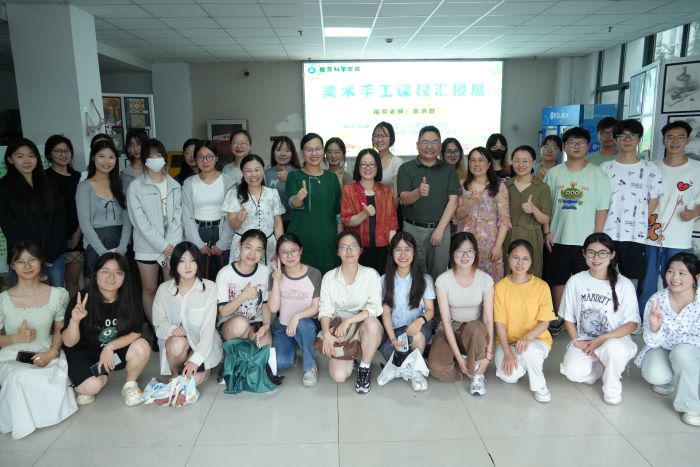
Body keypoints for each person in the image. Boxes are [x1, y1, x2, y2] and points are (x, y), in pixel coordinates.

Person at [0, 241, 77, 439]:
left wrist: (52, 353)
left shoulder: (57, 295)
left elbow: (59, 329)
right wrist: (15, 337)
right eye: (20, 261)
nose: (27, 266)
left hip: (45, 354)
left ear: (41, 261)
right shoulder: (3, 300)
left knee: (35, 376)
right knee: (19, 376)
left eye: (32, 259)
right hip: (11, 357)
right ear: (12, 265)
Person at [559, 233, 639, 405]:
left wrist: (602, 339)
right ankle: (601, 368)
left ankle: (612, 387)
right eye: (591, 252)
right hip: (586, 341)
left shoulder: (624, 284)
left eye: (602, 253)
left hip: (615, 340)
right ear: (584, 254)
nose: (596, 258)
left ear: (612, 255)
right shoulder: (575, 281)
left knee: (612, 349)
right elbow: (568, 318)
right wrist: (577, 341)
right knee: (573, 371)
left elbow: (632, 324)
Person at [62, 252, 151, 406]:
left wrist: (110, 347)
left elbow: (136, 332)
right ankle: (90, 378)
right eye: (105, 271)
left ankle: (129, 385)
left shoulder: (130, 298)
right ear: (95, 274)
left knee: (142, 347)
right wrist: (75, 321)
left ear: (124, 276)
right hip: (85, 353)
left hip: (113, 354)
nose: (111, 277)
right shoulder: (81, 299)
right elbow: (69, 343)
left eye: (118, 272)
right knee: (91, 387)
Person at [544, 127, 610, 334]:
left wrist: (596, 239)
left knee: (586, 280)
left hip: (586, 240)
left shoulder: (598, 174)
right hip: (558, 237)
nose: (576, 146)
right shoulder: (554, 174)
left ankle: (583, 318)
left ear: (588, 146)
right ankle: (560, 318)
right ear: (564, 146)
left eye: (581, 142)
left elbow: (602, 208)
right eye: (572, 142)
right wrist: (547, 232)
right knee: (558, 279)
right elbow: (546, 208)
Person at [638, 120, 700, 314]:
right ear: (663, 141)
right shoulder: (651, 168)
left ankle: (676, 319)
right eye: (670, 137)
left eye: (680, 137)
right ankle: (645, 319)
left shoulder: (697, 169)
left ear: (687, 140)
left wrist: (694, 213)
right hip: (649, 235)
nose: (675, 141)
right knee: (646, 281)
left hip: (679, 237)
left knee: (676, 281)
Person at [635, 252, 700, 426]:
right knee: (656, 374)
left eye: (682, 273)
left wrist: (682, 348)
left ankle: (691, 407)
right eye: (670, 271)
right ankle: (672, 379)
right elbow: (652, 342)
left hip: (694, 352)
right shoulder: (657, 300)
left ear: (696, 277)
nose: (674, 278)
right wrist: (655, 327)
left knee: (682, 353)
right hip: (664, 348)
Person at [428, 232, 494, 396]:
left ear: (475, 253)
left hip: (474, 330)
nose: (465, 256)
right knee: (436, 367)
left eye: (470, 251)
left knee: (476, 328)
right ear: (452, 253)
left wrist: (488, 355)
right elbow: (446, 321)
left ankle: (477, 374)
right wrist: (458, 358)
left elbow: (488, 319)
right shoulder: (443, 280)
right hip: (449, 328)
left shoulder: (485, 280)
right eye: (460, 251)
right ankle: (466, 365)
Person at [127, 138, 183, 326]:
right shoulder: (135, 187)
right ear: (144, 159)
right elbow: (139, 221)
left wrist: (170, 245)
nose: (155, 159)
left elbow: (178, 217)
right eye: (150, 156)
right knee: (149, 289)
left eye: (159, 155)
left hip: (172, 247)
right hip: (146, 247)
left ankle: (171, 327)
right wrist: (162, 245)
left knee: (171, 288)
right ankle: (156, 329)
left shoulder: (174, 185)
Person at [318, 231, 383, 394]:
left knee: (373, 324)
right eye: (344, 247)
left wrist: (350, 320)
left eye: (353, 246)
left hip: (362, 323)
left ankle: (364, 367)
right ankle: (352, 358)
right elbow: (325, 309)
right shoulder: (329, 277)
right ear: (337, 252)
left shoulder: (370, 274)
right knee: (339, 376)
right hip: (339, 327)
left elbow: (375, 307)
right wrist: (326, 333)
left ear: (360, 250)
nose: (349, 251)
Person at [601, 119, 662, 289]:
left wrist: (640, 220)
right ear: (616, 139)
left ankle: (628, 307)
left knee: (631, 279)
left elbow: (654, 199)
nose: (627, 140)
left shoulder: (651, 169)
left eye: (632, 136)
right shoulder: (605, 168)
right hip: (607, 232)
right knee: (603, 275)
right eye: (622, 136)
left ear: (639, 139)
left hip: (636, 234)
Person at [152, 242, 222, 386]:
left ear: (198, 263)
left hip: (202, 345)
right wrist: (172, 329)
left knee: (191, 382)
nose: (188, 266)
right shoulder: (163, 290)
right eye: (182, 261)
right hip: (177, 345)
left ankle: (195, 373)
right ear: (174, 264)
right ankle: (175, 375)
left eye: (192, 260)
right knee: (176, 343)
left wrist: (195, 360)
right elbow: (159, 325)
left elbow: (208, 330)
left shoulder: (210, 288)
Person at [494, 240, 555, 403]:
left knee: (528, 351)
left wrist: (527, 337)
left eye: (525, 259)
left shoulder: (542, 286)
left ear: (531, 260)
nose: (520, 263)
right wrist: (508, 353)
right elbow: (500, 324)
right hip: (509, 343)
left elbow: (545, 322)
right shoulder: (500, 287)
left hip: (536, 340)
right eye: (515, 258)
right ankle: (524, 363)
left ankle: (539, 385)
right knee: (509, 377)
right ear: (508, 257)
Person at [0, 138, 66, 286]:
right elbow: (10, 227)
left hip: (53, 257)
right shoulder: (4, 188)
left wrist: (50, 255)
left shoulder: (49, 184)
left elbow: (60, 220)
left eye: (31, 155)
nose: (27, 161)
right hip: (23, 259)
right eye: (20, 156)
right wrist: (32, 257)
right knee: (25, 299)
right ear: (10, 159)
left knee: (57, 297)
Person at [397, 126, 461, 278]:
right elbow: (404, 199)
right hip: (412, 229)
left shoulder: (448, 170)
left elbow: (453, 201)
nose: (429, 146)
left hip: (440, 229)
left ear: (440, 146)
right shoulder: (406, 168)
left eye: (434, 142)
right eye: (425, 142)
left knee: (439, 275)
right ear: (417, 145)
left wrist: (440, 229)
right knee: (414, 274)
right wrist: (418, 192)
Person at [379, 232, 435, 391]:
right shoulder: (384, 280)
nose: (403, 255)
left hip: (417, 326)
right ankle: (411, 365)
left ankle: (415, 371)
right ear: (392, 253)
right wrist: (392, 339)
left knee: (417, 336)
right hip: (394, 330)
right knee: (392, 353)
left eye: (407, 249)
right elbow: (385, 313)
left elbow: (430, 310)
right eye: (398, 250)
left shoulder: (425, 279)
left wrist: (420, 321)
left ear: (414, 252)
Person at [267, 233, 323, 387]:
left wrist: (297, 317)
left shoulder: (314, 273)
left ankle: (310, 366)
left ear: (301, 250)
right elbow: (273, 308)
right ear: (278, 256)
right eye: (284, 252)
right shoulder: (274, 276)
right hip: (283, 326)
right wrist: (276, 281)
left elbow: (316, 307)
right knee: (282, 362)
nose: (290, 255)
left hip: (307, 323)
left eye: (293, 250)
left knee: (304, 325)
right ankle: (299, 349)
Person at [287, 132, 342, 274]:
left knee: (328, 279)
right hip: (302, 240)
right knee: (302, 279)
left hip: (328, 241)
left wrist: (339, 239)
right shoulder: (294, 176)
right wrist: (298, 198)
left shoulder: (332, 178)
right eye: (309, 149)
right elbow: (292, 203)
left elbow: (337, 213)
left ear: (323, 150)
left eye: (318, 149)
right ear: (302, 152)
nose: (314, 153)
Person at [455, 147, 511, 282]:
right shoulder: (462, 185)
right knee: (465, 281)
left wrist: (498, 246)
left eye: (481, 160)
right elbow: (457, 215)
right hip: (465, 245)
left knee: (491, 284)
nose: (476, 164)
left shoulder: (499, 186)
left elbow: (504, 220)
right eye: (472, 160)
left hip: (490, 245)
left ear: (489, 164)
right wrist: (471, 202)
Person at [76, 140, 131, 278]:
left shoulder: (120, 184)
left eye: (111, 157)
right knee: (98, 284)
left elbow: (127, 219)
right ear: (93, 157)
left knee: (121, 283)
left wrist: (122, 248)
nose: (106, 161)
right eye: (101, 156)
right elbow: (85, 223)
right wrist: (102, 252)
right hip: (96, 244)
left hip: (120, 242)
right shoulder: (84, 187)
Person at [181, 140, 235, 280]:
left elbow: (232, 215)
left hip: (222, 231)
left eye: (209, 156)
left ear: (216, 158)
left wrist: (222, 244)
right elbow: (186, 216)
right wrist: (198, 244)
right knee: (199, 278)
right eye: (200, 157)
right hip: (198, 232)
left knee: (224, 278)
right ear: (196, 159)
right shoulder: (189, 183)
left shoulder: (228, 181)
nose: (205, 161)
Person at [341, 148, 398, 274]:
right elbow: (347, 220)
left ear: (378, 167)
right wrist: (365, 214)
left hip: (382, 249)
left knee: (381, 281)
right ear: (358, 167)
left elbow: (392, 223)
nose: (368, 168)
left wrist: (392, 250)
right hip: (357, 248)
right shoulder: (349, 190)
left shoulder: (385, 191)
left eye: (372, 164)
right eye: (364, 164)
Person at [224, 154, 285, 264]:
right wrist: (238, 219)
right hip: (244, 247)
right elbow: (232, 225)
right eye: (248, 171)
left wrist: (280, 247)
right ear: (242, 172)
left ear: (263, 170)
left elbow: (277, 223)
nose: (253, 174)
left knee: (269, 274)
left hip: (269, 247)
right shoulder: (234, 194)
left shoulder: (272, 193)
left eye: (257, 170)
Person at [215, 229, 271, 346]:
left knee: (265, 346)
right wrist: (244, 296)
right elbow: (223, 311)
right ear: (239, 245)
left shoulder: (265, 271)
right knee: (240, 325)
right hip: (231, 323)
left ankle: (248, 344)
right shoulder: (225, 273)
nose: (252, 254)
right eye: (248, 247)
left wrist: (266, 326)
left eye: (258, 250)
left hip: (256, 322)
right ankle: (238, 348)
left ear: (263, 253)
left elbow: (265, 304)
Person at [504, 145, 552, 278]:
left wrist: (534, 210)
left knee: (531, 274)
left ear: (534, 162)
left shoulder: (542, 188)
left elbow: (545, 219)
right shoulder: (505, 186)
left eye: (525, 161)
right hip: (508, 236)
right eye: (516, 160)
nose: (521, 165)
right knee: (508, 273)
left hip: (532, 237)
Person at [45, 135, 83, 296]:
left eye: (67, 151)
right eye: (58, 151)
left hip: (76, 236)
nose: (63, 154)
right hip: (52, 239)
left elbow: (84, 208)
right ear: (49, 153)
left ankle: (73, 310)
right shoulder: (43, 178)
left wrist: (77, 233)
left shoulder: (79, 178)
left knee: (73, 280)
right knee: (54, 285)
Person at [265, 136, 301, 231]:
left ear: (292, 153)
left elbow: (303, 198)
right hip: (271, 222)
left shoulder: (299, 173)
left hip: (294, 222)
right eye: (279, 150)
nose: (283, 154)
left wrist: (290, 179)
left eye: (287, 150)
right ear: (273, 152)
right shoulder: (266, 173)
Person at [372, 121, 403, 198]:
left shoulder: (397, 162)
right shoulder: (369, 160)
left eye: (383, 136)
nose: (379, 140)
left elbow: (396, 195)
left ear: (391, 138)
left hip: (388, 204)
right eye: (376, 136)